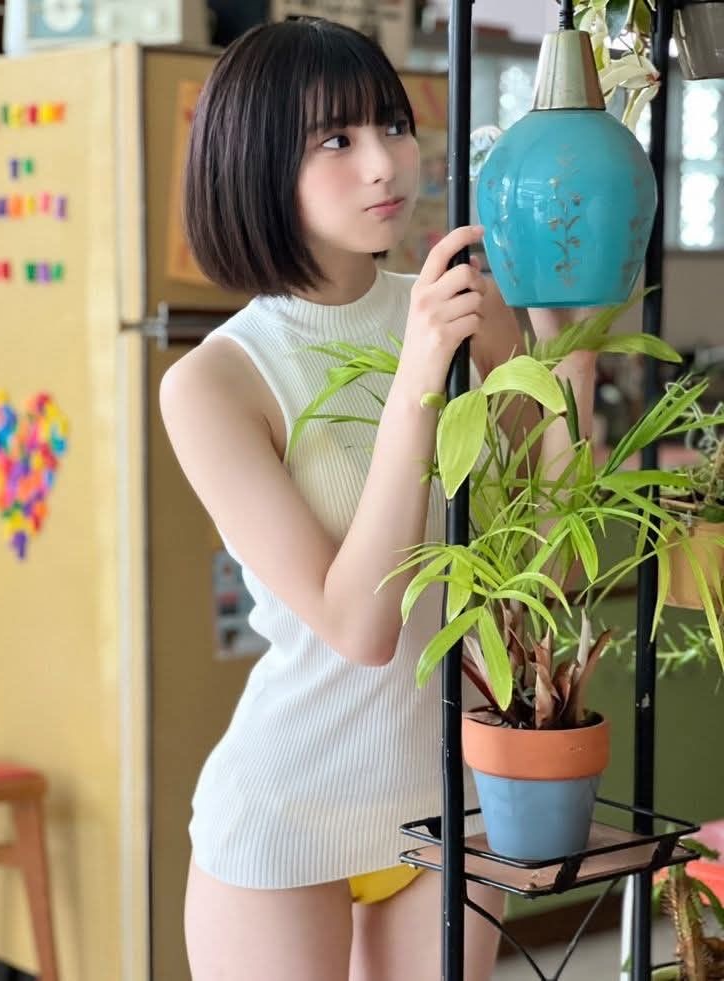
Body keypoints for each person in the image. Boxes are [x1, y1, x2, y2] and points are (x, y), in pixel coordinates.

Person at [160, 17, 597, 981]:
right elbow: (360, 626)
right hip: (288, 811)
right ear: (257, 164)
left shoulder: (464, 310)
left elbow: (553, 571)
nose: (384, 162)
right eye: (337, 139)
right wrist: (417, 379)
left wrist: (570, 350)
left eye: (392, 125)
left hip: (454, 793)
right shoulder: (214, 383)